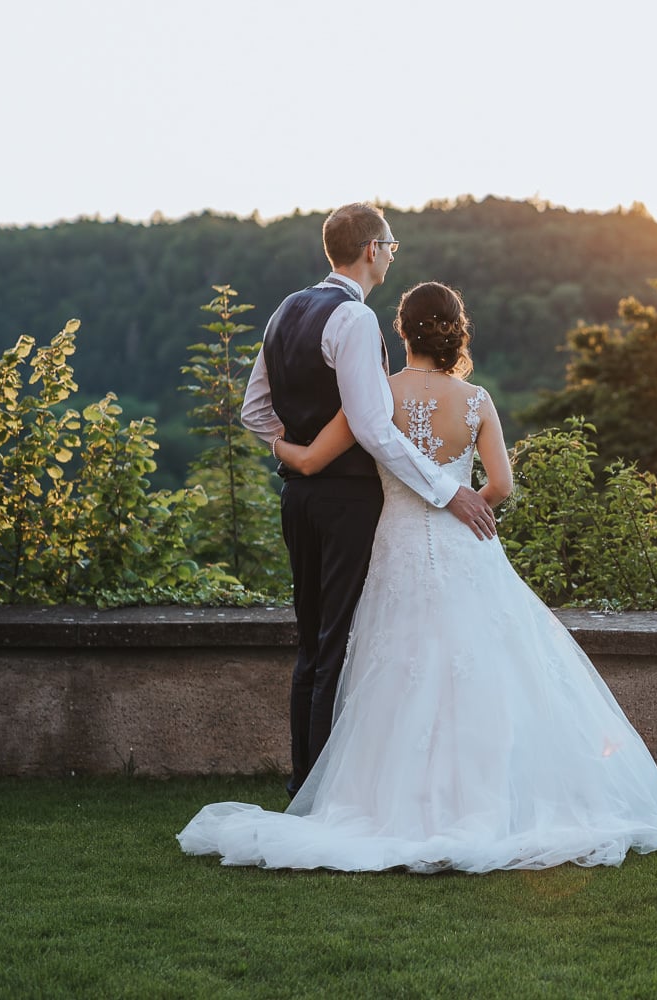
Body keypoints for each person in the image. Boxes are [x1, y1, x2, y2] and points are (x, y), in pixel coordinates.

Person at [178, 282, 657, 873]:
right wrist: (468, 503)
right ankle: (487, 797)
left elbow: (316, 457)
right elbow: (502, 485)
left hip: (395, 545)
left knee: (397, 667)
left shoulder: (376, 397)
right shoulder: (477, 400)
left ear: (401, 331)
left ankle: (393, 801)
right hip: (464, 542)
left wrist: (283, 449)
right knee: (487, 666)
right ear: (456, 331)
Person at [239, 203, 497, 799]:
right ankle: (324, 791)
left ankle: (304, 782)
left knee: (311, 643)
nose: (391, 254)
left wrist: (295, 455)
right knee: (336, 645)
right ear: (372, 250)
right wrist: (447, 490)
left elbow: (254, 411)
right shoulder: (354, 320)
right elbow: (375, 428)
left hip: (297, 501)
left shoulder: (286, 310)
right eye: (390, 246)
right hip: (346, 502)